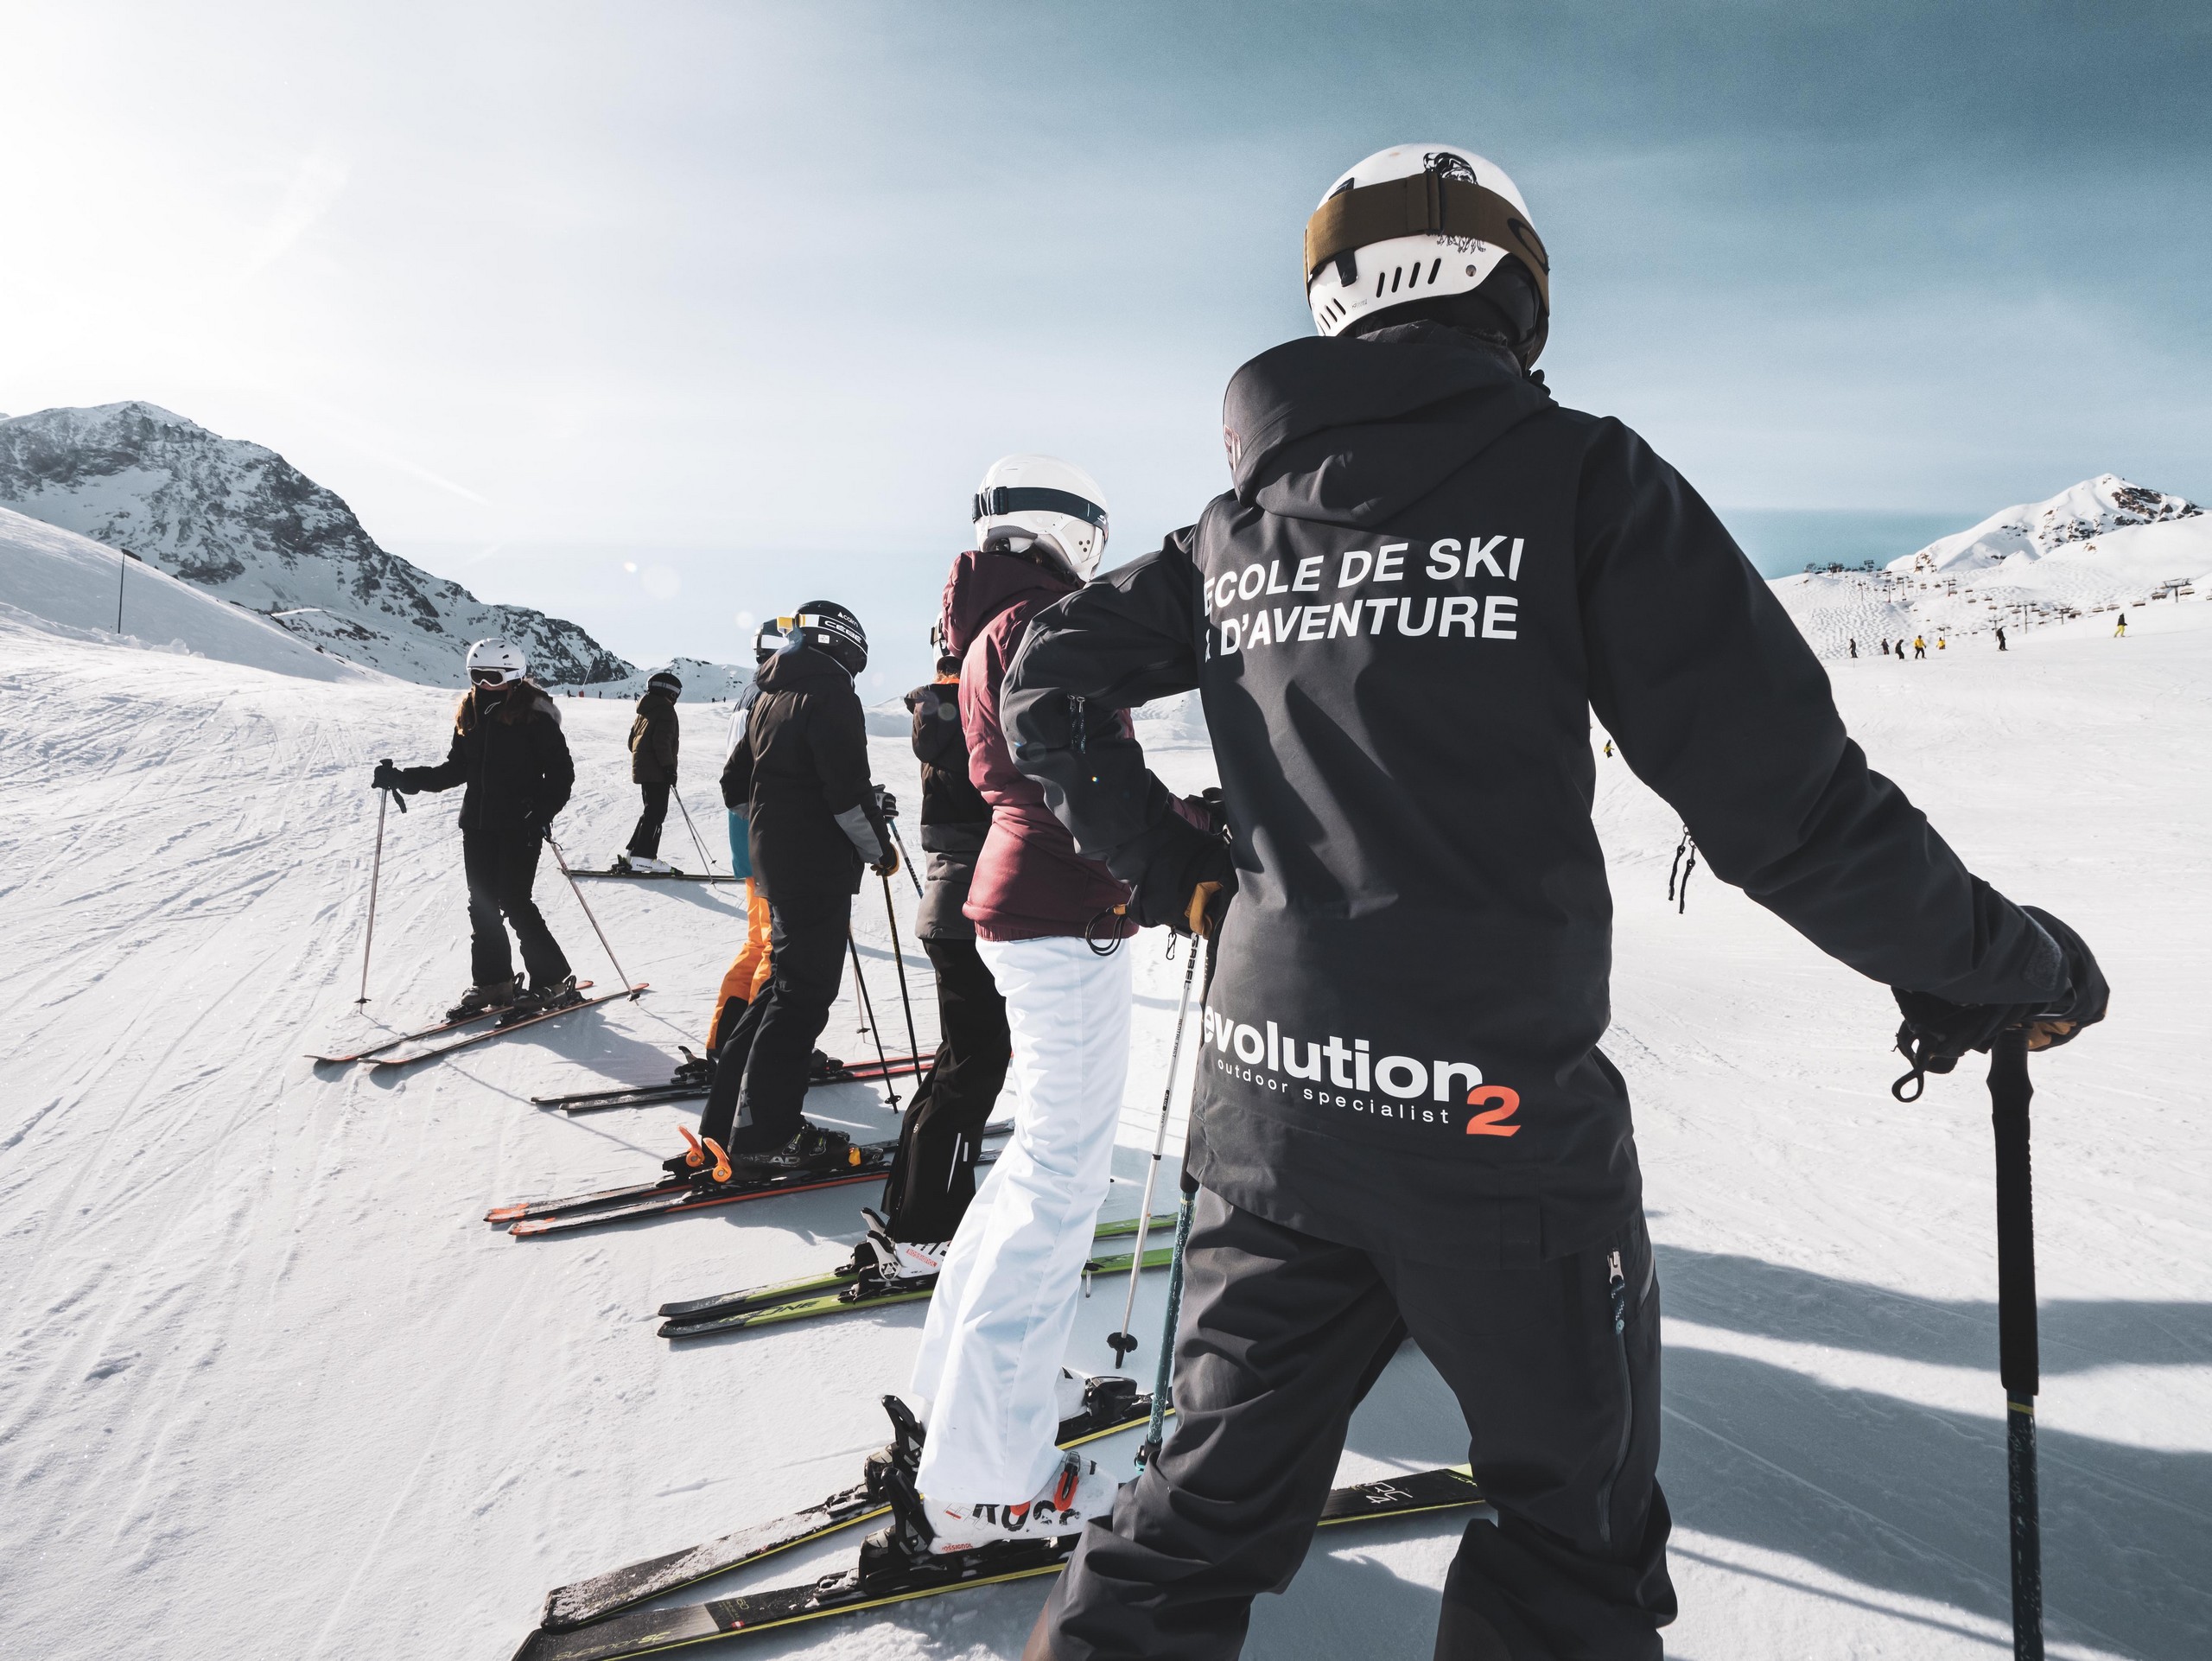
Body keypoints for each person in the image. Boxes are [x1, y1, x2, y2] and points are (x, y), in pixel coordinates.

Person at [996, 142, 2109, 1661]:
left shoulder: (1233, 527)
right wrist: (1994, 960)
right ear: (1514, 289)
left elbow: (1046, 678)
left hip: (1273, 1107)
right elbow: (1784, 806)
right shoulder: (1580, 479)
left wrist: (1179, 869)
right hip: (1495, 1134)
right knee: (1572, 1550)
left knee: (1187, 1525)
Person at [887, 456, 1162, 1558]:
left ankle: (964, 1405)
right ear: (1070, 527)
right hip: (1057, 906)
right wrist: (1181, 844)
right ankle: (986, 1479)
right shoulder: (1040, 621)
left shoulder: (990, 623)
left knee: (1036, 1168)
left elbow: (1048, 773)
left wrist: (1173, 823)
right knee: (1059, 1180)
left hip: (1035, 901)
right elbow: (1072, 778)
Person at [687, 601, 898, 1176]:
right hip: (815, 869)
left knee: (779, 990)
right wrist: (879, 848)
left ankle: (726, 1127)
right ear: (845, 645)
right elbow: (845, 795)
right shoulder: (830, 694)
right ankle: (768, 1135)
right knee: (802, 997)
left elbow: (736, 787)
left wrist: (781, 817)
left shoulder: (767, 695)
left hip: (775, 866)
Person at [864, 643, 1014, 1267]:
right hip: (975, 908)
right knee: (974, 1067)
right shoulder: (977, 715)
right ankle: (929, 1230)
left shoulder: (939, 718)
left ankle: (910, 1214)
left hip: (949, 908)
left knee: (959, 1061)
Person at [374, 638, 581, 1020]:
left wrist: (539, 811)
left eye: (493, 677)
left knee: (515, 901)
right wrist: (403, 778)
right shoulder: (470, 714)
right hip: (478, 824)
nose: (484, 684)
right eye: (477, 675)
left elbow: (561, 775)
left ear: (514, 676)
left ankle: (552, 979)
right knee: (481, 903)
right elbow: (456, 770)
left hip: (520, 825)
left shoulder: (535, 718)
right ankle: (493, 981)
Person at [704, 619, 791, 1058]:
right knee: (778, 948)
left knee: (759, 942)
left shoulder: (749, 693)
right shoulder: (774, 696)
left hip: (745, 833)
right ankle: (758, 1051)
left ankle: (726, 1042)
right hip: (768, 833)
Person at [615, 669, 683, 874]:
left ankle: (633, 854)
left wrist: (645, 760)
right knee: (656, 813)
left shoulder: (644, 711)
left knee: (650, 811)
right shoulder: (665, 711)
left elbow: (632, 742)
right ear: (670, 692)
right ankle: (644, 857)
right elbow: (661, 742)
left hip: (645, 771)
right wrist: (668, 768)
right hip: (658, 772)